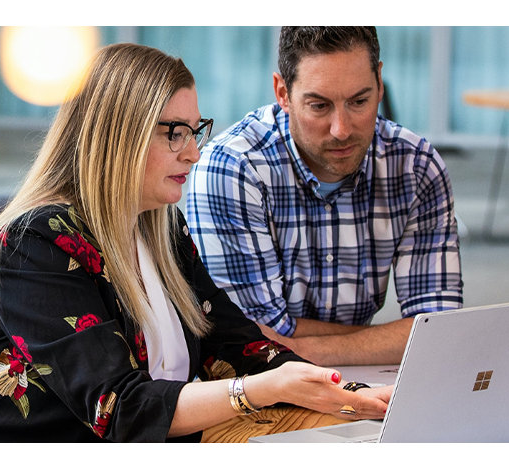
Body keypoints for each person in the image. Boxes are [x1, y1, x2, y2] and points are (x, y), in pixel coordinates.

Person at [0, 43, 392, 443]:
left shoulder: (162, 227)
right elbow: (120, 411)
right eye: (176, 133)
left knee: (374, 435)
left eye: (195, 131)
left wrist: (350, 394)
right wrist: (260, 391)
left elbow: (236, 344)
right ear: (119, 135)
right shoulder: (35, 243)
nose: (195, 154)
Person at [187, 27, 463, 366]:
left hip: (365, 380)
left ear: (379, 81)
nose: (341, 129)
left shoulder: (416, 166)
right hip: (254, 391)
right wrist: (397, 337)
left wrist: (305, 347)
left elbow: (440, 331)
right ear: (282, 93)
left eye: (359, 102)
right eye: (319, 106)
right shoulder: (233, 168)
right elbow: (251, 343)